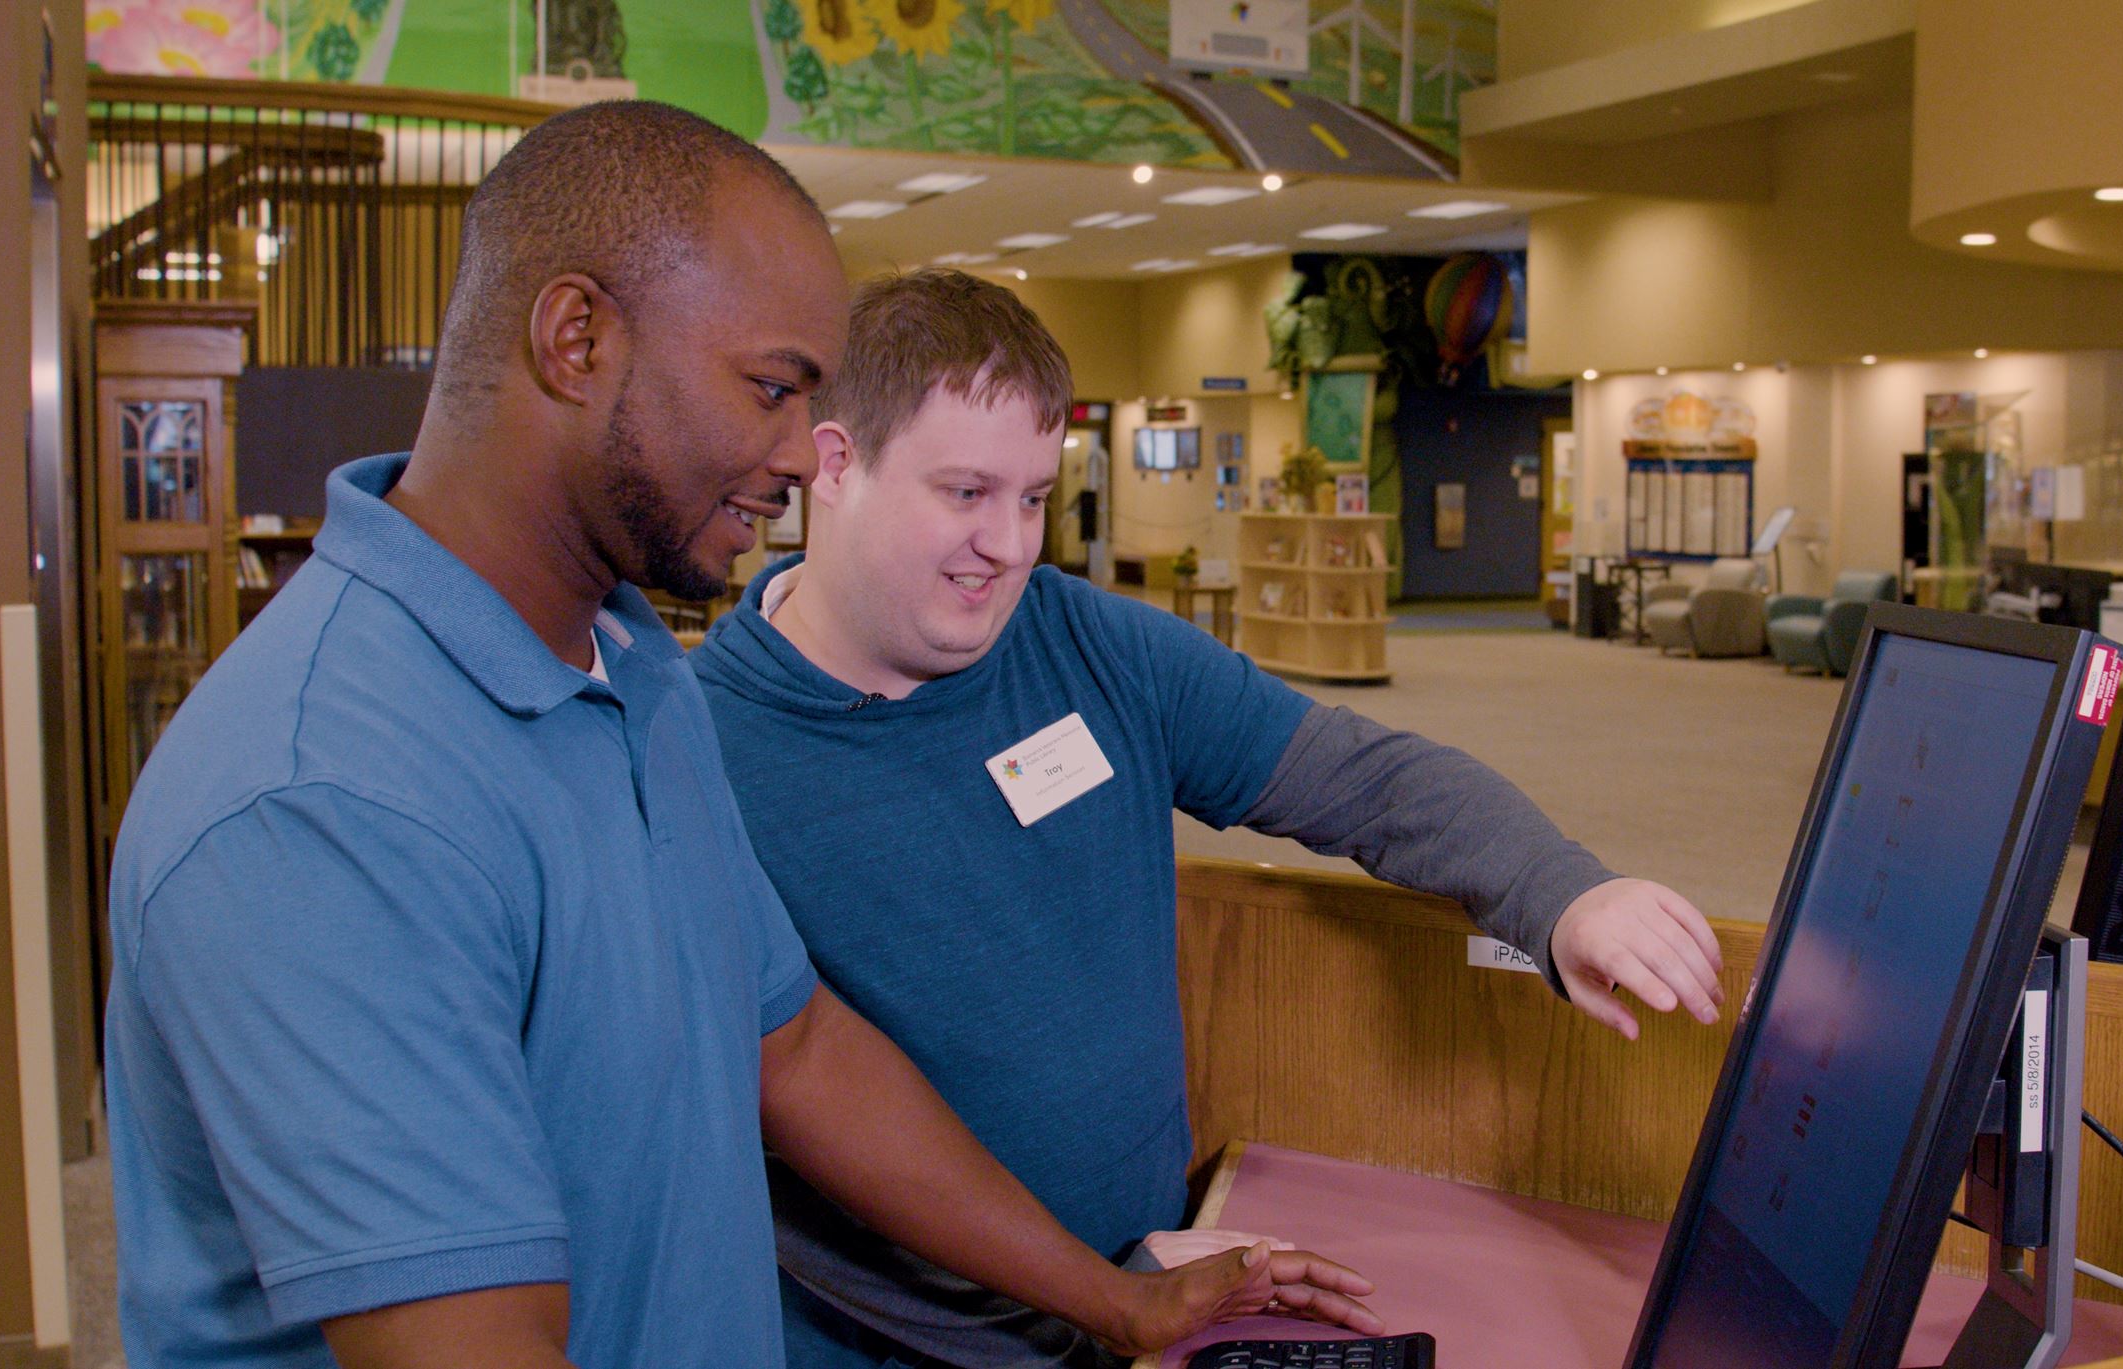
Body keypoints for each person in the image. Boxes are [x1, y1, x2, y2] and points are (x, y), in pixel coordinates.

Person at [104, 105, 1368, 1369]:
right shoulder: (322, 796)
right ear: (576, 339)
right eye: (771, 390)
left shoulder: (640, 675)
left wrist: (1117, 1302)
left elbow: (799, 1051)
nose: (797, 457)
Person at [691, 269, 1728, 1368]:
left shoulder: (1087, 643)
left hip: (1143, 1289)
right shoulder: (701, 748)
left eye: (1034, 497)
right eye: (964, 493)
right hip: (896, 1345)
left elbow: (1358, 775)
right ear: (838, 464)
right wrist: (1092, 1300)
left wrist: (1557, 889)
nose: (1008, 545)